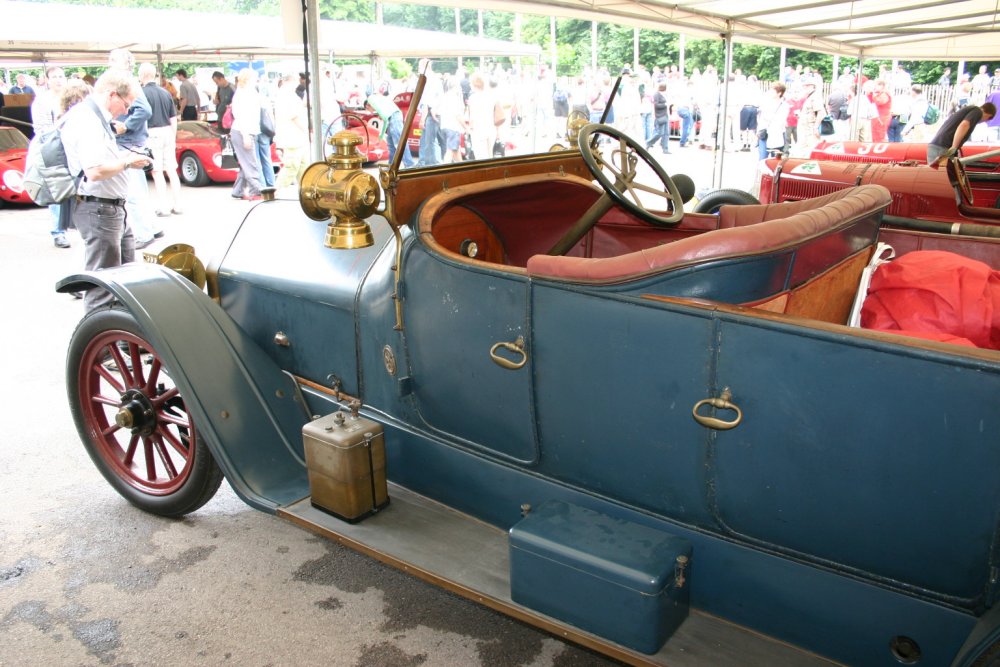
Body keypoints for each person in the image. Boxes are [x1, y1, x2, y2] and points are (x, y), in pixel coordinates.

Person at [59, 69, 151, 313]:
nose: (127, 111)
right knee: (103, 283)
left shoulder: (95, 117)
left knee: (125, 277)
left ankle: (120, 337)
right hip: (99, 207)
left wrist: (126, 158)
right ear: (112, 95)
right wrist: (128, 161)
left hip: (110, 207)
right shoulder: (87, 120)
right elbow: (95, 170)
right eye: (127, 104)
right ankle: (100, 345)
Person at [108, 49, 159, 249]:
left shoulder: (126, 83)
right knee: (139, 189)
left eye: (114, 60)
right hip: (132, 141)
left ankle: (144, 233)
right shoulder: (127, 81)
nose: (109, 63)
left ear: (126, 64)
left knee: (133, 192)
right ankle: (152, 228)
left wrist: (126, 125)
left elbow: (145, 110)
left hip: (129, 142)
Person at [30, 65, 71, 248]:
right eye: (54, 77)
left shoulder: (70, 98)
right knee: (57, 189)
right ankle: (58, 231)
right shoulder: (42, 101)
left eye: (61, 76)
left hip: (71, 147)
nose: (58, 79)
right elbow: (42, 129)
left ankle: (72, 226)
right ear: (47, 79)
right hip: (53, 149)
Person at [138, 63, 181, 217]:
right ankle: (178, 204)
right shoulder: (165, 93)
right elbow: (173, 118)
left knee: (157, 171)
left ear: (141, 75)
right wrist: (173, 136)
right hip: (168, 132)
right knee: (171, 170)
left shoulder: (141, 94)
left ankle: (163, 207)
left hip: (152, 133)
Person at [229, 68, 264, 201]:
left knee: (246, 163)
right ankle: (257, 190)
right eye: (255, 78)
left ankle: (237, 191)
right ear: (248, 79)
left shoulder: (245, 92)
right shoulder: (243, 94)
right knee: (251, 162)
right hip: (244, 131)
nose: (257, 80)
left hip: (245, 131)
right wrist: (245, 136)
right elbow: (240, 116)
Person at [927, 102, 996, 165]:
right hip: (943, 147)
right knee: (944, 176)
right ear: (989, 115)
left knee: (939, 176)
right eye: (987, 119)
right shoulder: (978, 111)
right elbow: (964, 125)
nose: (984, 121)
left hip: (938, 145)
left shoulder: (968, 110)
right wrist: (954, 147)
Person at [364, 84, 416, 168]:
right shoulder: (378, 98)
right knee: (391, 145)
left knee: (399, 143)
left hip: (394, 116)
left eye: (369, 110)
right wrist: (381, 136)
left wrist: (380, 136)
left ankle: (409, 164)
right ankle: (391, 165)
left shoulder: (371, 99)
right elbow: (385, 120)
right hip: (394, 115)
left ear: (367, 105)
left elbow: (384, 118)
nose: (371, 112)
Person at [273, 73, 309, 193]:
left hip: (296, 136)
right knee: (292, 167)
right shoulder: (286, 95)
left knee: (302, 166)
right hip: (292, 136)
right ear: (290, 82)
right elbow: (294, 116)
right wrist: (306, 129)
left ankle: (306, 190)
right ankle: (276, 190)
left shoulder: (285, 94)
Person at [756, 82, 789, 159]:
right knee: (762, 158)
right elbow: (760, 118)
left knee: (776, 159)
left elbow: (780, 120)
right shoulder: (765, 102)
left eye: (773, 90)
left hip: (777, 134)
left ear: (779, 93)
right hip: (764, 133)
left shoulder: (784, 105)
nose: (770, 92)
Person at [646, 81, 670, 154]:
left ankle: (665, 148)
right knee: (659, 133)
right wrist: (665, 104)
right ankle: (649, 142)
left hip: (665, 115)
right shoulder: (656, 94)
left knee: (666, 133)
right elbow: (656, 105)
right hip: (660, 115)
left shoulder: (664, 94)